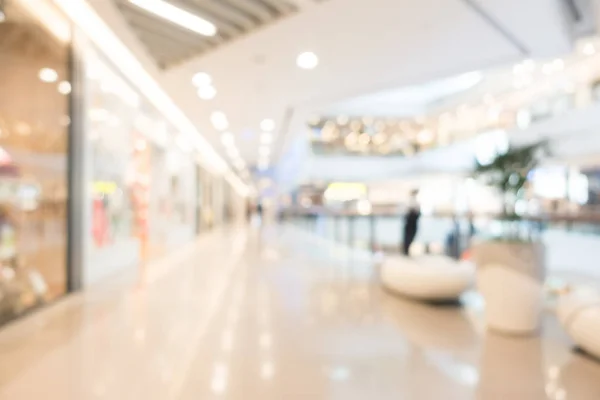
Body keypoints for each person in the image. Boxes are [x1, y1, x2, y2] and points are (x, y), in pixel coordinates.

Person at [402, 190, 420, 256]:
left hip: (412, 221)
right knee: (408, 236)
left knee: (410, 236)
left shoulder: (414, 201)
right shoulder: (410, 201)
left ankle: (406, 250)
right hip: (410, 221)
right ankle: (406, 251)